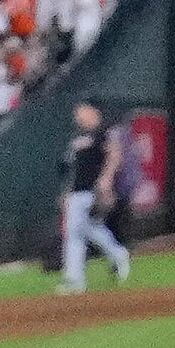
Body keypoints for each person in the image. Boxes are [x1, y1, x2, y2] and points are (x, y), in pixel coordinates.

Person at [55, 97, 133, 295]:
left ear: (92, 111)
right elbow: (73, 168)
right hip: (76, 191)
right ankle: (114, 255)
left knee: (78, 231)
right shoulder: (76, 136)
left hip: (92, 190)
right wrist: (66, 192)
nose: (78, 116)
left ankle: (77, 278)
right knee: (78, 232)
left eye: (82, 111)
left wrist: (106, 180)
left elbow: (115, 155)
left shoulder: (103, 131)